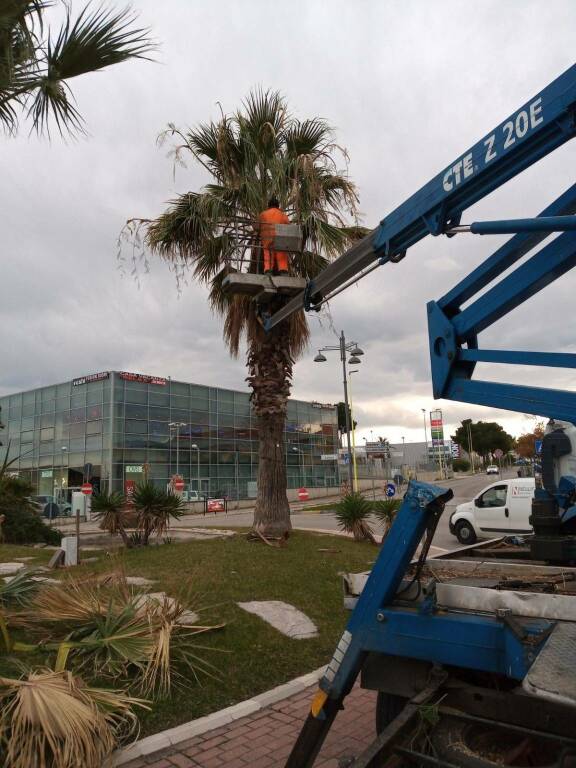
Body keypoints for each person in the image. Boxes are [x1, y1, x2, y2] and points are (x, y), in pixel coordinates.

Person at [259, 195, 290, 274]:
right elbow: (288, 226)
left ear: (269, 206)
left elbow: (257, 226)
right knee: (281, 254)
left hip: (267, 238)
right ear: (278, 206)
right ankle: (283, 270)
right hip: (280, 238)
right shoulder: (283, 215)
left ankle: (268, 270)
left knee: (268, 254)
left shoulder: (263, 214)